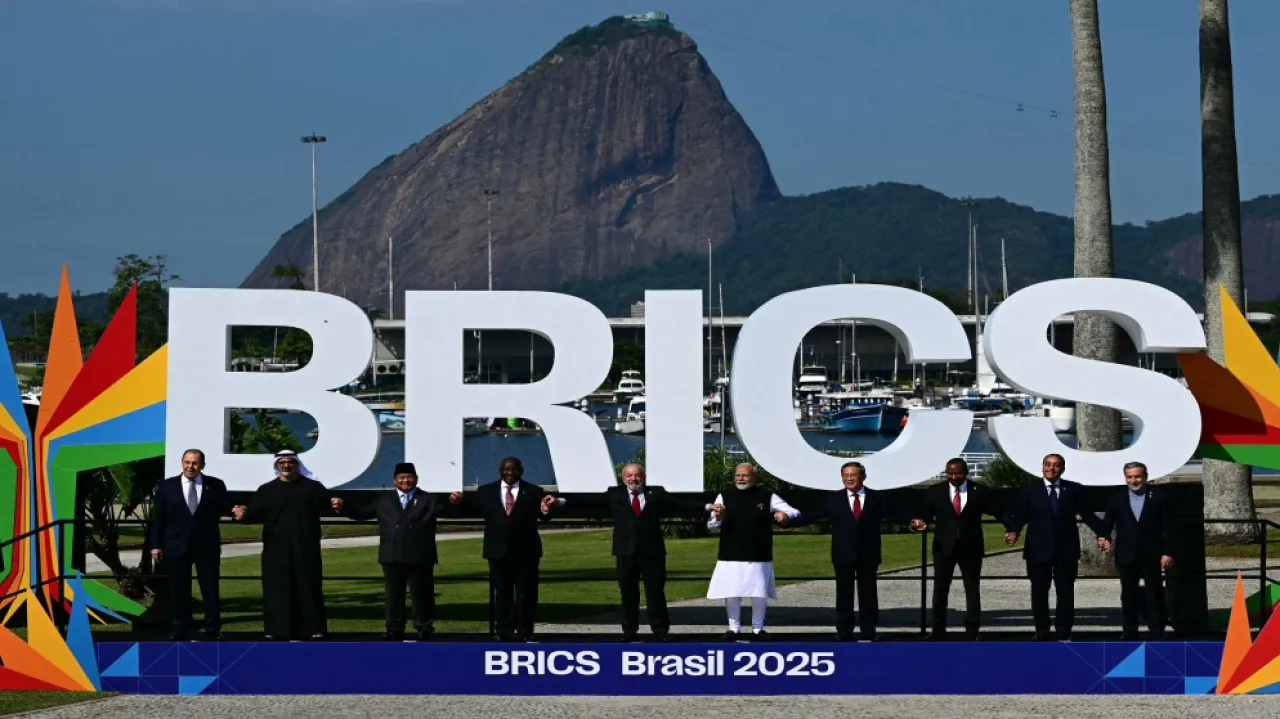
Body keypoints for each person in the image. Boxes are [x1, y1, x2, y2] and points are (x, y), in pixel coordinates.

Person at [232, 450, 343, 640]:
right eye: (282, 462)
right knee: (276, 589)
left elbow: (331, 507)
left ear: (297, 465)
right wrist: (241, 513)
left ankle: (313, 629)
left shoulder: (313, 488)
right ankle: (276, 629)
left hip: (306, 548)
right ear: (277, 465)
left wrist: (338, 503)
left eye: (290, 462)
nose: (286, 465)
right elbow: (253, 514)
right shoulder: (266, 490)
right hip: (275, 549)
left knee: (308, 587)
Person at [449, 457, 561, 642]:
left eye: (514, 469)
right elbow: (467, 508)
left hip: (527, 552)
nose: (510, 473)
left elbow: (544, 515)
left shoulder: (534, 491)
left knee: (526, 595)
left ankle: (525, 631)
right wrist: (457, 501)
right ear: (500, 471)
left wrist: (547, 509)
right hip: (497, 551)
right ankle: (503, 631)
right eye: (506, 469)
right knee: (502, 595)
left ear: (521, 471)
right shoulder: (486, 491)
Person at [593, 462, 706, 642]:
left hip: (652, 551)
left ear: (644, 477)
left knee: (655, 592)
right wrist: (559, 501)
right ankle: (629, 630)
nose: (633, 478)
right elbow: (588, 500)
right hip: (625, 551)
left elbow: (680, 503)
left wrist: (708, 507)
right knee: (628, 593)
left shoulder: (656, 493)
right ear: (623, 478)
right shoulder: (615, 494)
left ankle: (660, 630)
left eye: (637, 475)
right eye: (629, 475)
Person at [1003, 453, 1108, 641]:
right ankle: (1042, 631)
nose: (1051, 468)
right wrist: (1013, 531)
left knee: (1065, 593)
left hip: (1066, 551)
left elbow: (1088, 516)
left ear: (1063, 468)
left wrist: (1102, 533)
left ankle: (1063, 632)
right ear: (1042, 467)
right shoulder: (1030, 490)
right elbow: (1020, 516)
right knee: (1039, 593)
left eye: (1056, 465)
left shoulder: (1074, 490)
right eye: (1048, 464)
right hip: (1037, 550)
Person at [345, 462, 451, 641]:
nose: (405, 480)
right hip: (392, 553)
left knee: (422, 594)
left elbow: (448, 510)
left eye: (409, 477)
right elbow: (362, 512)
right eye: (401, 477)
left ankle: (424, 627)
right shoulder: (384, 500)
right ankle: (394, 628)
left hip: (420, 554)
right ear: (394, 480)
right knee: (393, 596)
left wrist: (455, 501)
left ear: (416, 479)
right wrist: (342, 506)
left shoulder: (428, 499)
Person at [791, 461, 890, 641]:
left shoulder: (877, 497)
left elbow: (893, 514)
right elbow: (812, 515)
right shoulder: (833, 499)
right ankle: (844, 630)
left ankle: (869, 630)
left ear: (863, 477)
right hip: (842, 554)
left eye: (853, 475)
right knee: (844, 594)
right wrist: (787, 521)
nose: (849, 478)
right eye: (845, 475)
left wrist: (914, 522)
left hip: (869, 554)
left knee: (868, 594)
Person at [909, 457, 1003, 640]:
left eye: (957, 473)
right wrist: (917, 523)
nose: (953, 477)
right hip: (944, 548)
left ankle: (972, 631)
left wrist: (1012, 528)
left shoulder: (979, 491)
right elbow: (923, 514)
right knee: (940, 589)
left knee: (972, 590)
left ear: (965, 473)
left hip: (971, 548)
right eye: (950, 473)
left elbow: (997, 511)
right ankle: (938, 631)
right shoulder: (935, 492)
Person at [706, 463, 799, 640]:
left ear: (754, 478)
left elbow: (794, 512)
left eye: (745, 475)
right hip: (730, 553)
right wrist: (718, 518)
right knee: (732, 592)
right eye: (738, 475)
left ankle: (758, 629)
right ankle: (733, 628)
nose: (740, 478)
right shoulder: (724, 496)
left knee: (759, 593)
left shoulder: (767, 496)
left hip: (758, 553)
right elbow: (711, 525)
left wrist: (784, 516)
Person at [149, 448, 232, 641]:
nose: (190, 466)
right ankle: (179, 629)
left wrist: (238, 510)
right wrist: (155, 545)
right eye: (187, 462)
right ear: (182, 463)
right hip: (176, 546)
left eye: (195, 463)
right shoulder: (167, 486)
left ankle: (212, 629)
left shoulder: (216, 485)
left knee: (210, 589)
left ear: (202, 465)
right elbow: (159, 518)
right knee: (178, 590)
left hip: (207, 546)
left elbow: (226, 507)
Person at [1096, 461, 1175, 640]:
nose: (1133, 480)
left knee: (1154, 593)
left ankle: (1157, 630)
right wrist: (1103, 536)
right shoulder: (1117, 498)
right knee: (1128, 594)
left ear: (1145, 477)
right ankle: (1129, 630)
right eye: (1129, 477)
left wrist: (1167, 552)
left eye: (1137, 476)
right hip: (1126, 554)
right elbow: (1107, 523)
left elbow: (1169, 527)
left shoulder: (1160, 496)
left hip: (1152, 554)